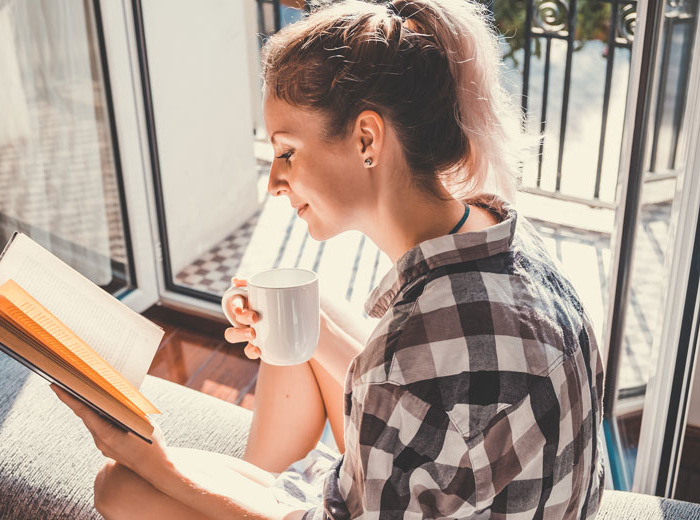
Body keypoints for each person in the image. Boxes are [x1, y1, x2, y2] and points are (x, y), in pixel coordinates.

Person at [52, 0, 606, 518]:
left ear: (368, 139)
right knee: (302, 313)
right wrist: (303, 329)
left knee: (117, 486)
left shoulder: (408, 355)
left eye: (287, 151)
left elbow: (407, 381)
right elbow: (421, 397)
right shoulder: (504, 235)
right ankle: (250, 482)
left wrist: (159, 465)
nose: (273, 182)